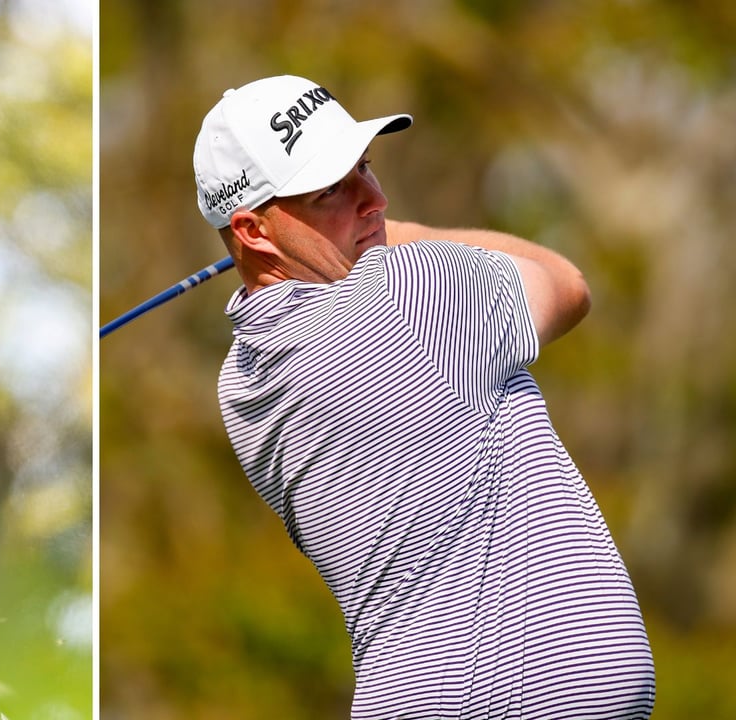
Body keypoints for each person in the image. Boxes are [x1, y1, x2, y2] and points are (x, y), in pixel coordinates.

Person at [194, 75, 655, 718]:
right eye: (334, 189)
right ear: (255, 229)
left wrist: (355, 235)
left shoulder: (239, 382)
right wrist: (409, 232)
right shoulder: (406, 290)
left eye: (367, 168)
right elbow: (567, 283)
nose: (374, 199)